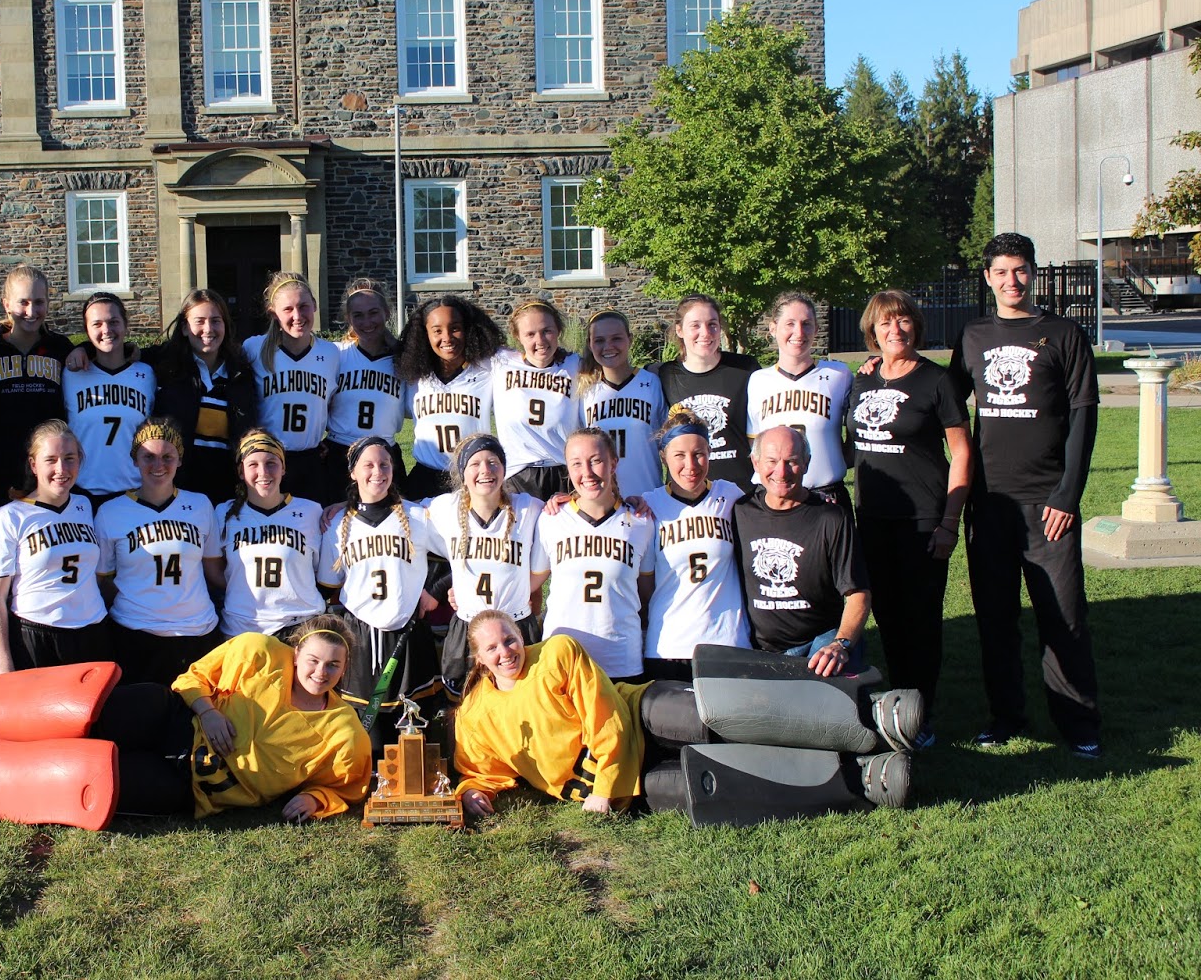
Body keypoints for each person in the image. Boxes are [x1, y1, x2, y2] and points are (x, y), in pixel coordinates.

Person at [452, 610, 918, 825]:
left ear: (521, 634)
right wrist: (472, 792)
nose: (505, 652)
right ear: (478, 659)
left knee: (712, 715)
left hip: (637, 716)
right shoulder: (475, 713)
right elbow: (480, 768)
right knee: (715, 782)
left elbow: (606, 720)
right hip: (624, 789)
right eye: (492, 648)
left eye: (509, 639)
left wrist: (602, 788)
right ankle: (860, 779)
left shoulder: (556, 652)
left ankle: (867, 716)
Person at [0, 618, 373, 828]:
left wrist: (314, 799)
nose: (320, 672)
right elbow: (192, 678)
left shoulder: (343, 732)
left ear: (345, 669)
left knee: (96, 775)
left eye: (334, 666)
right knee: (99, 713)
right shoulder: (257, 652)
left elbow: (347, 787)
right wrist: (208, 712)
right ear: (296, 653)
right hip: (175, 721)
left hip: (192, 785)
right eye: (313, 659)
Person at [947, 233, 1101, 757]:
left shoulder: (1063, 333)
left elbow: (1084, 414)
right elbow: (944, 402)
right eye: (1002, 272)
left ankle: (1079, 724)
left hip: (1048, 503)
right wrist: (883, 368)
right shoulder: (972, 336)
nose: (1012, 281)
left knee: (1063, 617)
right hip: (990, 505)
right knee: (995, 616)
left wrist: (1067, 495)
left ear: (1033, 274)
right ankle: (1006, 715)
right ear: (988, 278)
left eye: (1021, 271)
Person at [848, 290, 971, 749]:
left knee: (921, 621)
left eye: (902, 322)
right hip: (873, 518)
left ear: (915, 326)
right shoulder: (863, 380)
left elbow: (961, 453)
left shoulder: (935, 382)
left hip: (922, 518)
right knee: (888, 616)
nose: (894, 331)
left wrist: (949, 521)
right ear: (872, 332)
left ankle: (922, 714)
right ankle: (897, 703)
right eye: (885, 324)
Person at [317, 437, 442, 747]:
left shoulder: (418, 516)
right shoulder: (337, 525)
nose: (378, 472)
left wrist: (433, 591)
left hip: (409, 633)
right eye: (368, 465)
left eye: (384, 464)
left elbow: (459, 556)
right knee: (369, 743)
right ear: (353, 473)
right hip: (362, 638)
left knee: (417, 736)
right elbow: (328, 588)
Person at [94, 418, 223, 684]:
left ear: (180, 460)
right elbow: (102, 580)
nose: (158, 465)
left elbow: (213, 571)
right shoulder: (110, 511)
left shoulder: (200, 505)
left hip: (197, 631)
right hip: (135, 632)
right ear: (135, 460)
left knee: (196, 721)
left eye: (168, 456)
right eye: (148, 457)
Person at [735, 427, 869, 677]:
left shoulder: (831, 518)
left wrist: (840, 644)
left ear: (807, 463)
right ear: (755, 462)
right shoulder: (739, 512)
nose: (781, 472)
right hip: (758, 649)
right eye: (772, 461)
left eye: (792, 462)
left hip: (818, 643)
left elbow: (858, 594)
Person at [421, 434, 547, 698]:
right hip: (467, 628)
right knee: (465, 709)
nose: (485, 470)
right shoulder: (445, 508)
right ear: (463, 473)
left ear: (504, 468)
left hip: (516, 627)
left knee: (523, 706)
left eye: (493, 462)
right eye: (475, 464)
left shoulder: (530, 508)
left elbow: (542, 567)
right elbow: (394, 514)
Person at [0, 421, 110, 674]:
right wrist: (2, 661)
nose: (61, 468)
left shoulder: (85, 506)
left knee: (98, 713)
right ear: (33, 465)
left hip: (93, 631)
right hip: (37, 634)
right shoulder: (10, 517)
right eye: (50, 459)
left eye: (69, 458)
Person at [534, 427, 655, 683]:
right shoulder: (551, 519)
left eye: (596, 461)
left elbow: (647, 593)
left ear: (613, 464)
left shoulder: (641, 521)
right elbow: (530, 584)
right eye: (576, 464)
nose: (586, 473)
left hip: (621, 660)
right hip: (562, 660)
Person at [640, 406, 749, 681]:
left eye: (699, 454)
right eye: (680, 455)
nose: (691, 466)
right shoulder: (647, 506)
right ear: (664, 457)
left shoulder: (731, 496)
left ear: (710, 454)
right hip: (669, 645)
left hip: (727, 642)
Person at [0, 266, 74, 511]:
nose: (31, 311)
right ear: (6, 304)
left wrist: (87, 350)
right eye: (23, 302)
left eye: (39, 302)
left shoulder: (61, 348)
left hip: (50, 473)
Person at [146, 289, 258, 505]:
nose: (208, 329)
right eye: (199, 321)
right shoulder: (163, 366)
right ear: (185, 328)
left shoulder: (241, 374)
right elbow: (116, 353)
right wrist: (84, 350)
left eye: (216, 321)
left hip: (227, 493)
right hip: (176, 490)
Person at [212, 430, 325, 639]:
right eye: (253, 464)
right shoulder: (222, 514)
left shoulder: (312, 512)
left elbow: (322, 570)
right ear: (240, 471)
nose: (263, 472)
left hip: (301, 626)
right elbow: (214, 570)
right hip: (241, 628)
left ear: (283, 468)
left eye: (271, 462)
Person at [745, 292, 852, 503]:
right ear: (773, 328)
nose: (799, 332)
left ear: (817, 329)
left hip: (827, 496)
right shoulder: (758, 380)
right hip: (775, 497)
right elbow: (755, 447)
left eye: (806, 324)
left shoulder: (839, 375)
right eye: (790, 323)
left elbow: (855, 437)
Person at [242, 273, 340, 502]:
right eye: (288, 309)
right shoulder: (253, 349)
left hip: (312, 461)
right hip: (267, 462)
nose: (297, 316)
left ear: (315, 305)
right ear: (273, 314)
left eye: (304, 306)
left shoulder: (331, 353)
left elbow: (335, 403)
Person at [396, 295, 502, 500]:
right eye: (437, 331)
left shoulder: (488, 369)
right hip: (425, 478)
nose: (447, 337)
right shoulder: (413, 377)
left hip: (472, 477)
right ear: (424, 335)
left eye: (455, 328)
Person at [654, 295, 760, 488]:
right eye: (695, 325)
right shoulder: (663, 376)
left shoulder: (745, 370)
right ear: (679, 330)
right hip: (687, 497)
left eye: (712, 324)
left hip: (740, 493)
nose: (705, 333)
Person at [62, 292, 154, 508]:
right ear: (86, 330)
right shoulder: (70, 374)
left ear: (125, 325)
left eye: (114, 322)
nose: (106, 330)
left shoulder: (147, 373)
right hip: (82, 492)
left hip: (135, 492)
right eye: (97, 324)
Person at [321, 279, 408, 502]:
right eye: (358, 315)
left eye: (373, 312)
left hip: (384, 453)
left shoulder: (404, 361)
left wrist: (398, 347)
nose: (367, 321)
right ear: (348, 318)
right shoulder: (336, 355)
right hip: (339, 452)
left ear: (387, 313)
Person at [493, 300, 581, 498]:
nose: (540, 340)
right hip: (517, 474)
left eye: (547, 331)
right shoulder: (501, 363)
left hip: (563, 472)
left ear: (558, 331)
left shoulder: (574, 364)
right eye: (530, 334)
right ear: (517, 337)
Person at [579, 310, 665, 498]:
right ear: (590, 344)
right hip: (602, 503)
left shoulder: (652, 383)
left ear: (630, 339)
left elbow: (667, 444)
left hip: (648, 497)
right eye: (599, 340)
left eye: (616, 338)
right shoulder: (584, 391)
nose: (608, 346)